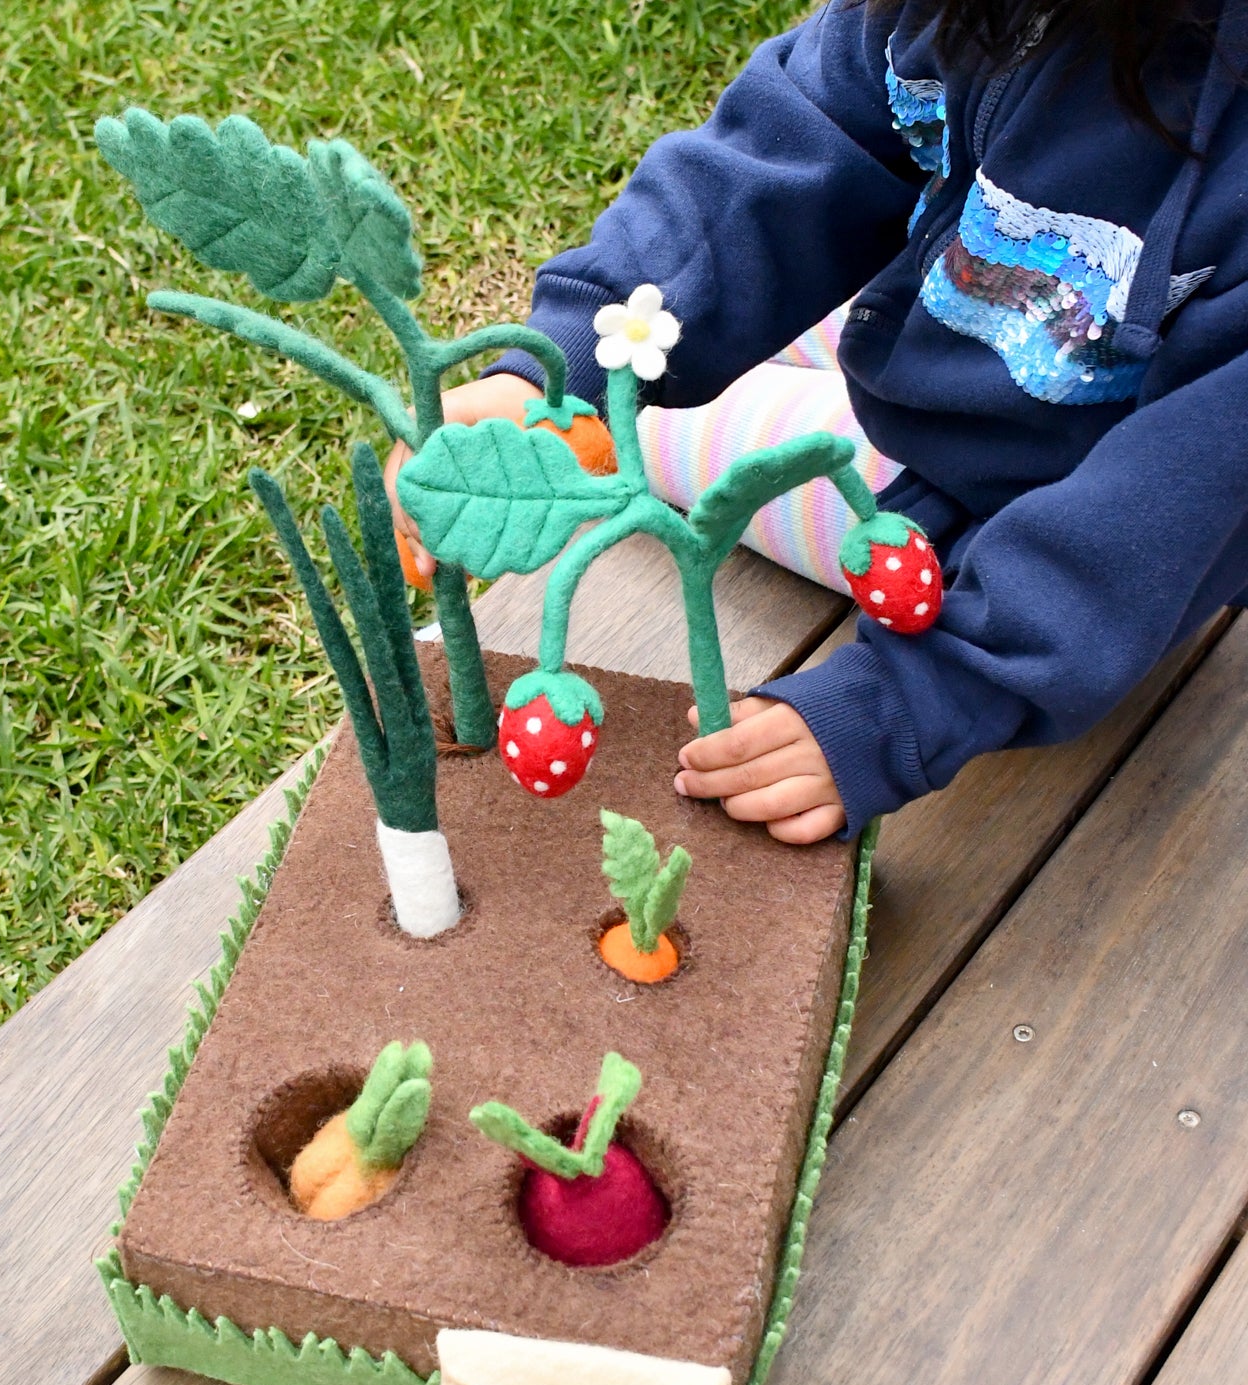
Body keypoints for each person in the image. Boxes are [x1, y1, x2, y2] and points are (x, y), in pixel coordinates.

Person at [389, 0, 1248, 843]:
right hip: (983, 314)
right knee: (630, 371)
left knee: (631, 444)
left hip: (1026, 524)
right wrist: (562, 365)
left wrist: (906, 704)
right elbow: (797, 144)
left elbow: (1166, 512)